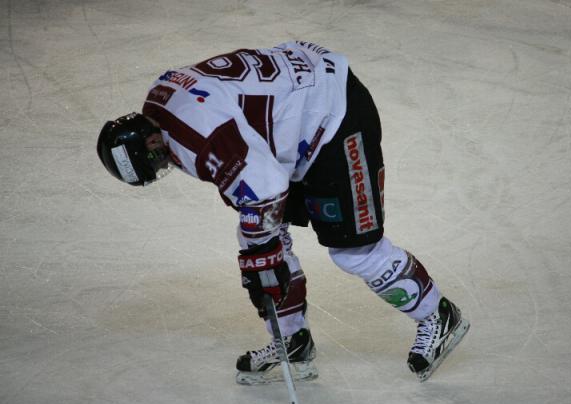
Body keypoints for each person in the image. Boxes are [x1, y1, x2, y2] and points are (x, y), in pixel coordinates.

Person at [96, 41, 470, 383]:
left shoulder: (198, 138)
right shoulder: (156, 109)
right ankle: (293, 340)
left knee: (354, 251)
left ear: (148, 140)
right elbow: (252, 180)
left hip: (332, 114)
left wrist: (260, 257)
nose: (164, 167)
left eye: (156, 160)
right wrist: (260, 251)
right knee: (259, 241)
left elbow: (265, 189)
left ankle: (439, 315)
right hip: (287, 122)